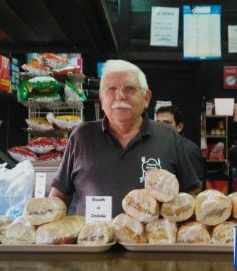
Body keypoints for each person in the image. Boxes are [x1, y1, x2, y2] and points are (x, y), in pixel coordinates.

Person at [49, 60, 202, 216]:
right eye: (111, 89)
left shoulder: (168, 137)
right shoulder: (82, 136)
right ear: (101, 99)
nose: (120, 96)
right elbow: (59, 197)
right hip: (94, 237)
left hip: (155, 238)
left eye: (129, 88)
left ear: (146, 98)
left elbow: (190, 194)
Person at [155, 105, 205, 184]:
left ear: (179, 127)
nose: (161, 127)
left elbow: (197, 184)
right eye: (158, 123)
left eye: (166, 123)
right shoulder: (154, 145)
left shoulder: (189, 149)